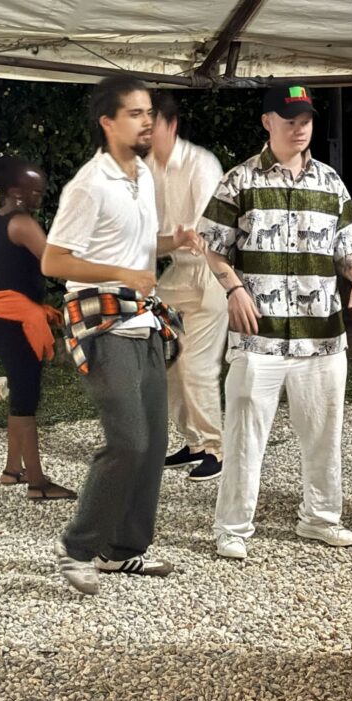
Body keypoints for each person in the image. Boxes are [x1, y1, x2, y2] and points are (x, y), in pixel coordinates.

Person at [199, 84, 352, 561]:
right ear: (267, 122)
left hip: (322, 337)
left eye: (306, 120)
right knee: (244, 435)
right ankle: (233, 527)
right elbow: (213, 247)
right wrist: (234, 289)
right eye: (289, 120)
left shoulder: (330, 183)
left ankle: (320, 519)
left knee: (324, 434)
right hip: (258, 337)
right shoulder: (239, 181)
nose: (299, 129)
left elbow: (346, 249)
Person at [42, 75, 201, 594]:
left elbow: (135, 243)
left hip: (144, 323)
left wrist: (172, 241)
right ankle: (77, 548)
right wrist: (123, 273)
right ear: (108, 122)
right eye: (135, 113)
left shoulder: (141, 176)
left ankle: (123, 550)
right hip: (104, 326)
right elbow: (54, 260)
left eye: (149, 111)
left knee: (153, 445)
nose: (147, 121)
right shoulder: (89, 184)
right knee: (128, 441)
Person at [0, 158, 76, 502]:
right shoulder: (22, 223)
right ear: (15, 190)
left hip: (0, 313)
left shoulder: (1, 218)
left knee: (20, 393)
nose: (40, 196)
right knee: (26, 398)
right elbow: (54, 263)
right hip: (17, 318)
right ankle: (37, 482)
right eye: (34, 190)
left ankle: (12, 469)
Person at [148, 91, 227, 481]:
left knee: (197, 365)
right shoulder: (145, 169)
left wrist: (171, 240)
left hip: (212, 271)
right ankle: (194, 442)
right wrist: (171, 240)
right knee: (168, 360)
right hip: (177, 272)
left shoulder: (200, 163)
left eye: (152, 124)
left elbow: (203, 233)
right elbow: (144, 236)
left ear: (171, 124)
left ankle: (216, 449)